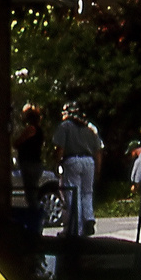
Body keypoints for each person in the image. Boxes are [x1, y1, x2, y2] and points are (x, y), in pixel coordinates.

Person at [52, 101, 103, 236]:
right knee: (87, 193)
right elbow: (98, 151)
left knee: (73, 194)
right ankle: (89, 218)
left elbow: (60, 149)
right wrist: (98, 169)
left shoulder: (65, 126)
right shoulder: (90, 128)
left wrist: (56, 163)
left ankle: (75, 229)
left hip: (72, 160)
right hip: (89, 161)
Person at [13, 104, 45, 229]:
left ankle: (35, 223)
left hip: (30, 163)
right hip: (35, 163)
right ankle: (35, 221)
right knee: (32, 192)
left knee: (31, 194)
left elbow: (17, 142)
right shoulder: (39, 130)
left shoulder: (31, 129)